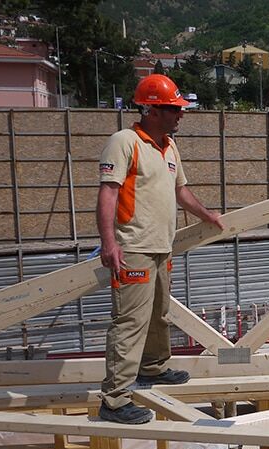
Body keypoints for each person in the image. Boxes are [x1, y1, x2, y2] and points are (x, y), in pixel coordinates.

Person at [97, 74, 224, 424]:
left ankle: (152, 368)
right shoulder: (125, 142)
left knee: (158, 316)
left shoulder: (169, 148)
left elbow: (181, 192)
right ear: (151, 109)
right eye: (173, 109)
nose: (180, 115)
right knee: (129, 323)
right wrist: (109, 242)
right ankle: (114, 400)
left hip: (161, 248)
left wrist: (208, 214)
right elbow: (108, 192)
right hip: (133, 248)